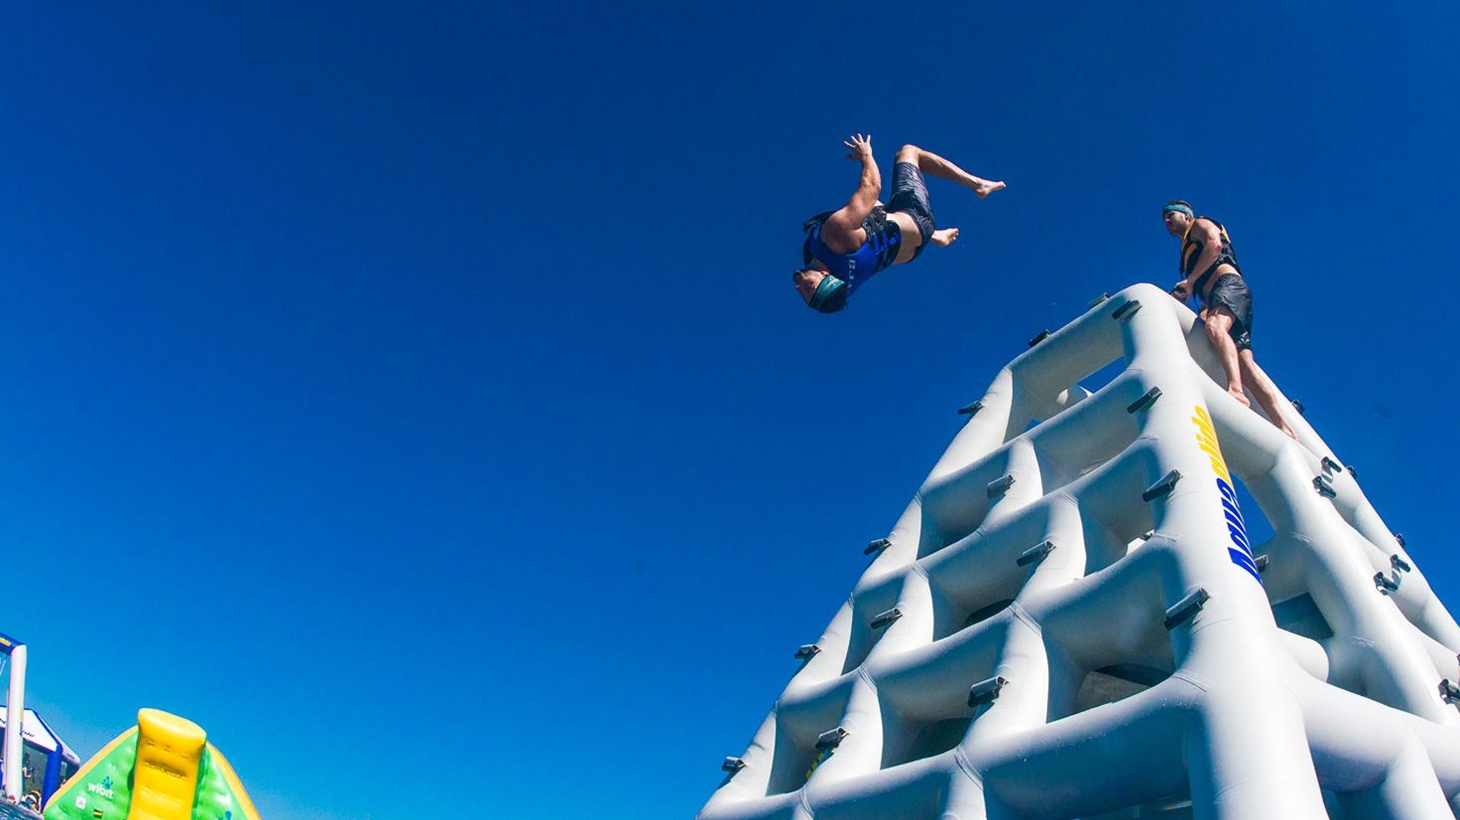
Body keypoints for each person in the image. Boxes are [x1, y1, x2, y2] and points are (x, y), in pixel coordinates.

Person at [793, 134, 1003, 313]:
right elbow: (872, 186)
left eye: (805, 294)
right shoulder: (835, 234)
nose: (799, 288)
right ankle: (978, 185)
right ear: (824, 274)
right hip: (917, 218)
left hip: (906, 252)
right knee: (908, 152)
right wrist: (866, 154)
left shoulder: (839, 286)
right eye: (809, 287)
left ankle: (935, 236)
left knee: (870, 222)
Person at [1162, 200, 1297, 439]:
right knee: (1246, 365)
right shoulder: (1186, 251)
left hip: (1229, 286)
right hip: (1220, 297)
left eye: (1171, 215)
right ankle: (1285, 429)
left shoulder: (1200, 225)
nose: (1167, 222)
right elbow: (1205, 298)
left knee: (1215, 327)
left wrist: (1190, 282)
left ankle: (1235, 390)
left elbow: (1214, 245)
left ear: (1185, 214)